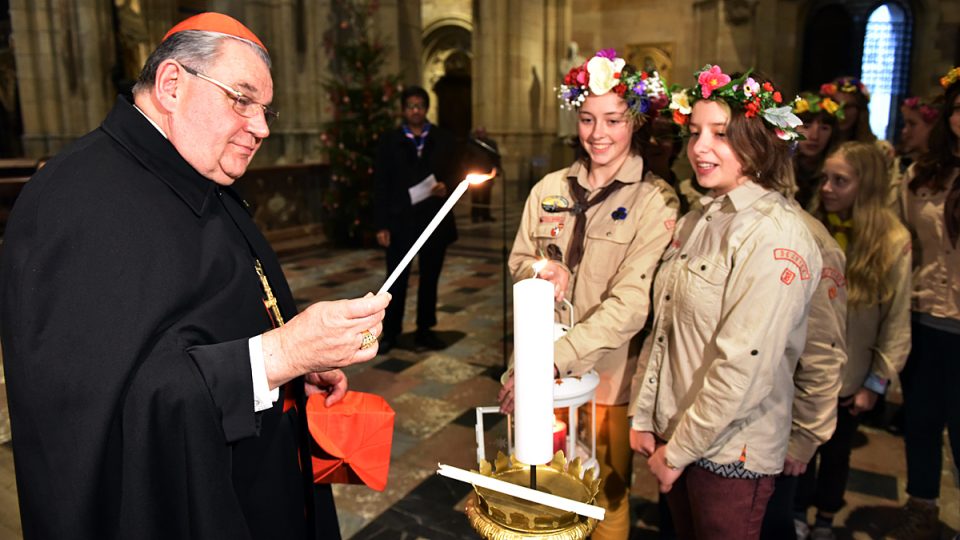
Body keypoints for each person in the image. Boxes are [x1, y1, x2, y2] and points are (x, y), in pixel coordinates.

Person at [0, 13, 390, 539]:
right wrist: (282, 355)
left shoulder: (197, 174)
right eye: (242, 99)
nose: (263, 127)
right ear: (172, 84)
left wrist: (298, 368)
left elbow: (211, 323)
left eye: (265, 108)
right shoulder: (78, 200)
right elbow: (106, 415)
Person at [631, 66, 822, 539]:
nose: (699, 147)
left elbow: (744, 367)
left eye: (720, 134)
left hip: (729, 453)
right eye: (695, 132)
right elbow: (667, 329)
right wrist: (644, 414)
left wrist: (676, 453)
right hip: (678, 435)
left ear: (758, 141)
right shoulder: (701, 217)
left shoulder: (776, 235)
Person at [501, 49, 678, 540]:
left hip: (607, 382)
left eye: (613, 120)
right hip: (541, 369)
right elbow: (518, 263)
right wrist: (540, 271)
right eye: (587, 119)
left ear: (635, 123)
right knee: (542, 486)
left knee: (606, 495)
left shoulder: (655, 200)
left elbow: (630, 305)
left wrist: (551, 359)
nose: (598, 133)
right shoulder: (548, 188)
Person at [791, 142, 912, 540]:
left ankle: (826, 517)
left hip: (850, 376)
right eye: (825, 178)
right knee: (797, 451)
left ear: (869, 185)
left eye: (840, 181)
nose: (826, 188)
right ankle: (796, 512)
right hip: (803, 370)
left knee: (837, 452)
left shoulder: (893, 241)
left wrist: (875, 383)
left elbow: (895, 323)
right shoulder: (812, 226)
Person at [886, 66, 960, 540]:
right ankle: (922, 506)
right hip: (928, 316)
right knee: (922, 420)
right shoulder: (923, 177)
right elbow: (901, 238)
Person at [373, 85, 458, 353]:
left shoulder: (443, 139)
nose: (415, 111)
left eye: (420, 106)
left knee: (430, 278)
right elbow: (380, 183)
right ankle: (391, 332)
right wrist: (381, 224)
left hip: (434, 219)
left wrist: (448, 186)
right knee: (396, 279)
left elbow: (456, 173)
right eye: (410, 106)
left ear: (426, 108)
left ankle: (425, 330)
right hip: (401, 220)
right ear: (403, 110)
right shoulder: (390, 140)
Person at [792, 91, 844, 209]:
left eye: (824, 128)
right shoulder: (779, 167)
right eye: (806, 126)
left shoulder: (838, 171)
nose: (814, 136)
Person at [820, 77, 876, 144]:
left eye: (848, 106)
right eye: (836, 104)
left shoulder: (877, 148)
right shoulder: (815, 145)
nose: (842, 113)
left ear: (860, 110)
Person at [466, 126, 500, 222]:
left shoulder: (491, 144)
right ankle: (475, 215)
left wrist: (496, 168)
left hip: (487, 173)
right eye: (478, 132)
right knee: (475, 196)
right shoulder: (471, 144)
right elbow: (466, 159)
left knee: (486, 195)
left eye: (482, 132)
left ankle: (486, 215)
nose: (481, 134)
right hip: (475, 173)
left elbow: (496, 157)